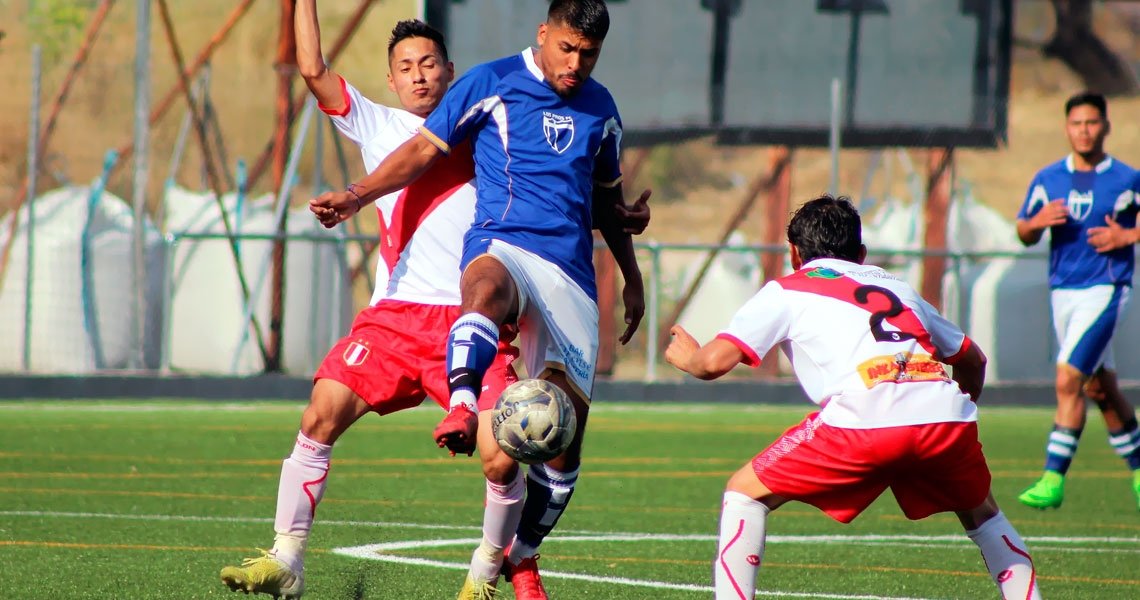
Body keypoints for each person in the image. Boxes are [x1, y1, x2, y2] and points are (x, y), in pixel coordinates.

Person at [219, 6, 646, 599]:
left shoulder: (483, 127)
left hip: (472, 316)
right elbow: (312, 67)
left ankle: (497, 573)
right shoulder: (378, 126)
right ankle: (287, 557)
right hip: (395, 317)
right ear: (390, 79)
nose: (418, 76)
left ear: (450, 72)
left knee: (507, 457)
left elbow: (567, 178)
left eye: (428, 64)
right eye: (404, 67)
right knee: (320, 412)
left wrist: (620, 228)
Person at [665, 195, 1042, 600]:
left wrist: (688, 359)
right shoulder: (897, 286)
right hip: (944, 415)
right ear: (861, 254)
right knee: (984, 514)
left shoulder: (787, 289)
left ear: (794, 253)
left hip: (862, 421)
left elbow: (713, 363)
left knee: (743, 493)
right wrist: (941, 416)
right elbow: (972, 358)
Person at [1014, 92, 1140, 511]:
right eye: (1076, 124)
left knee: (1068, 377)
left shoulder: (1127, 178)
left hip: (1106, 288)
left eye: (1091, 123)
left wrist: (1128, 236)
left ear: (1105, 125)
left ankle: (1053, 478)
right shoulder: (1048, 178)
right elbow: (1023, 230)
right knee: (1099, 388)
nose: (1084, 131)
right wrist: (1035, 223)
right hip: (1063, 292)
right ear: (1066, 127)